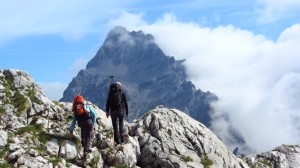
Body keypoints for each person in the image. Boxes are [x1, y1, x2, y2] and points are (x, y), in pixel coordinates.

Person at [69, 95, 96, 165]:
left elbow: (73, 123)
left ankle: (84, 148)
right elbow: (94, 115)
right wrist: (94, 124)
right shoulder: (87, 107)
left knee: (83, 136)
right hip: (89, 123)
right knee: (88, 137)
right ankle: (86, 152)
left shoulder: (76, 111)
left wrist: (71, 132)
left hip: (81, 124)